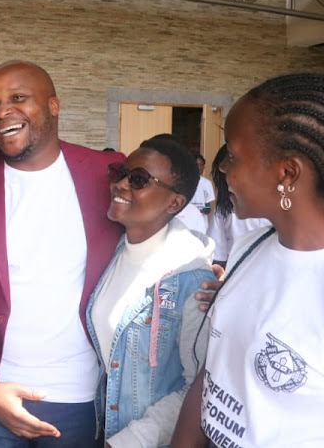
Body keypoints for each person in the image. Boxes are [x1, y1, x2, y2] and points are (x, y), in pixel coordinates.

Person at [0, 60, 125, 447]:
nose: (2, 112)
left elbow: (156, 230)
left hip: (79, 398)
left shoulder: (106, 172)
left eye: (18, 98)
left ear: (53, 106)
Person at [171, 73, 324, 447]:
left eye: (233, 155)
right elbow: (213, 374)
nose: (224, 169)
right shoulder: (250, 247)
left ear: (287, 173)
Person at [86, 137, 214, 447]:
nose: (121, 184)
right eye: (121, 172)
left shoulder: (191, 278)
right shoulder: (111, 252)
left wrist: (131, 440)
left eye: (139, 179)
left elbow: (199, 386)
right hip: (103, 430)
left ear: (174, 203)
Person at [206, 144, 270, 267]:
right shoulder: (223, 210)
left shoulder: (276, 207)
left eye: (231, 159)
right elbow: (218, 257)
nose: (222, 167)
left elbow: (219, 258)